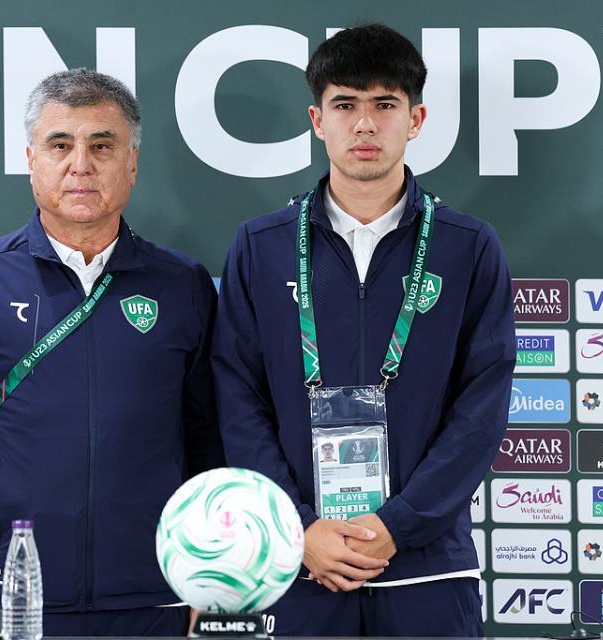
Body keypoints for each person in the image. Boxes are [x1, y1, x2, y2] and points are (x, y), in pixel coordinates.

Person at [0, 69, 224, 636]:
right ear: (32, 160)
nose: (81, 165)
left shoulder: (184, 285)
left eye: (103, 146)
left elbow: (210, 444)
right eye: (60, 145)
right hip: (6, 596)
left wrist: (212, 572)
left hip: (155, 599)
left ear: (132, 163)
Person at [212, 24, 515, 637]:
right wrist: (298, 526)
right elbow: (237, 400)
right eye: (345, 105)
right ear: (318, 121)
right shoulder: (261, 245)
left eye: (385, 105)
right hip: (299, 567)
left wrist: (400, 524)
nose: (365, 125)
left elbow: (481, 408)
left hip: (426, 569)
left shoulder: (468, 246)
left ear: (416, 118)